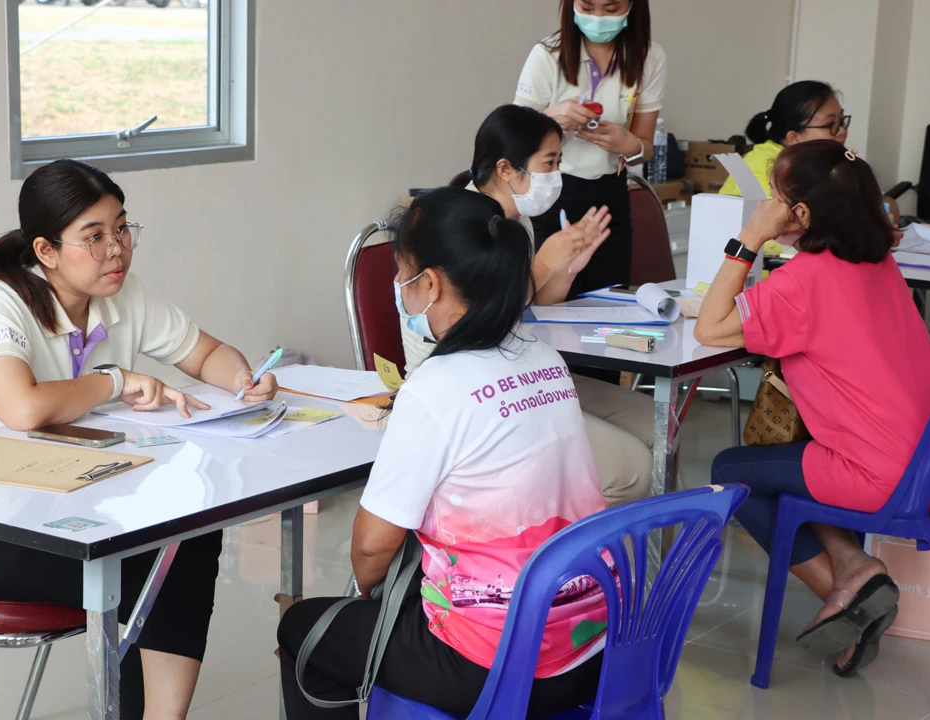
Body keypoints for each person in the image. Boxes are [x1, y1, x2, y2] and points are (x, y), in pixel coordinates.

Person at [0, 159, 278, 720]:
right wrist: (116, 380)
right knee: (151, 563)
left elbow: (207, 353)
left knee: (186, 537)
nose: (116, 249)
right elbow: (23, 408)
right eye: (94, 237)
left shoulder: (122, 293)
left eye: (121, 228)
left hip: (64, 506)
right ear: (46, 251)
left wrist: (241, 378)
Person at [278, 188, 608, 718]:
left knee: (303, 629)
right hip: (591, 642)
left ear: (428, 284)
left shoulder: (437, 385)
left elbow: (372, 548)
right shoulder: (545, 358)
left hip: (493, 665)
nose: (396, 289)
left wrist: (368, 596)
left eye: (400, 274)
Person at [695, 140, 930, 677]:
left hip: (887, 476)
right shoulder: (877, 262)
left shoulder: (802, 282)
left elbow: (709, 328)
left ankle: (849, 587)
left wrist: (748, 238)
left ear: (802, 213)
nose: (768, 205)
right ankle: (854, 568)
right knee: (799, 459)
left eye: (774, 197)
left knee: (730, 472)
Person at [405, 103, 654, 505]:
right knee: (633, 469)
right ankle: (565, 558)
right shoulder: (456, 224)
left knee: (658, 423)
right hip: (472, 385)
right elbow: (475, 317)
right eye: (549, 163)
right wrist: (544, 265)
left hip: (518, 369)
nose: (557, 176)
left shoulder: (516, 222)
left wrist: (567, 270)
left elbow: (531, 304)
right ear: (506, 168)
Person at [515, 0, 666, 298]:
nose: (598, 18)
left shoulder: (649, 58)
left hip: (609, 196)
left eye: (610, 10)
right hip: (552, 192)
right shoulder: (547, 55)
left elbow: (644, 147)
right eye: (587, 7)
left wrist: (628, 144)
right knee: (549, 303)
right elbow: (513, 135)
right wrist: (549, 120)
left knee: (607, 303)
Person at [721, 80, 899, 226]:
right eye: (830, 125)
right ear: (794, 137)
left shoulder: (815, 162)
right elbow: (792, 228)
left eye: (842, 121)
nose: (842, 131)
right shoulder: (769, 166)